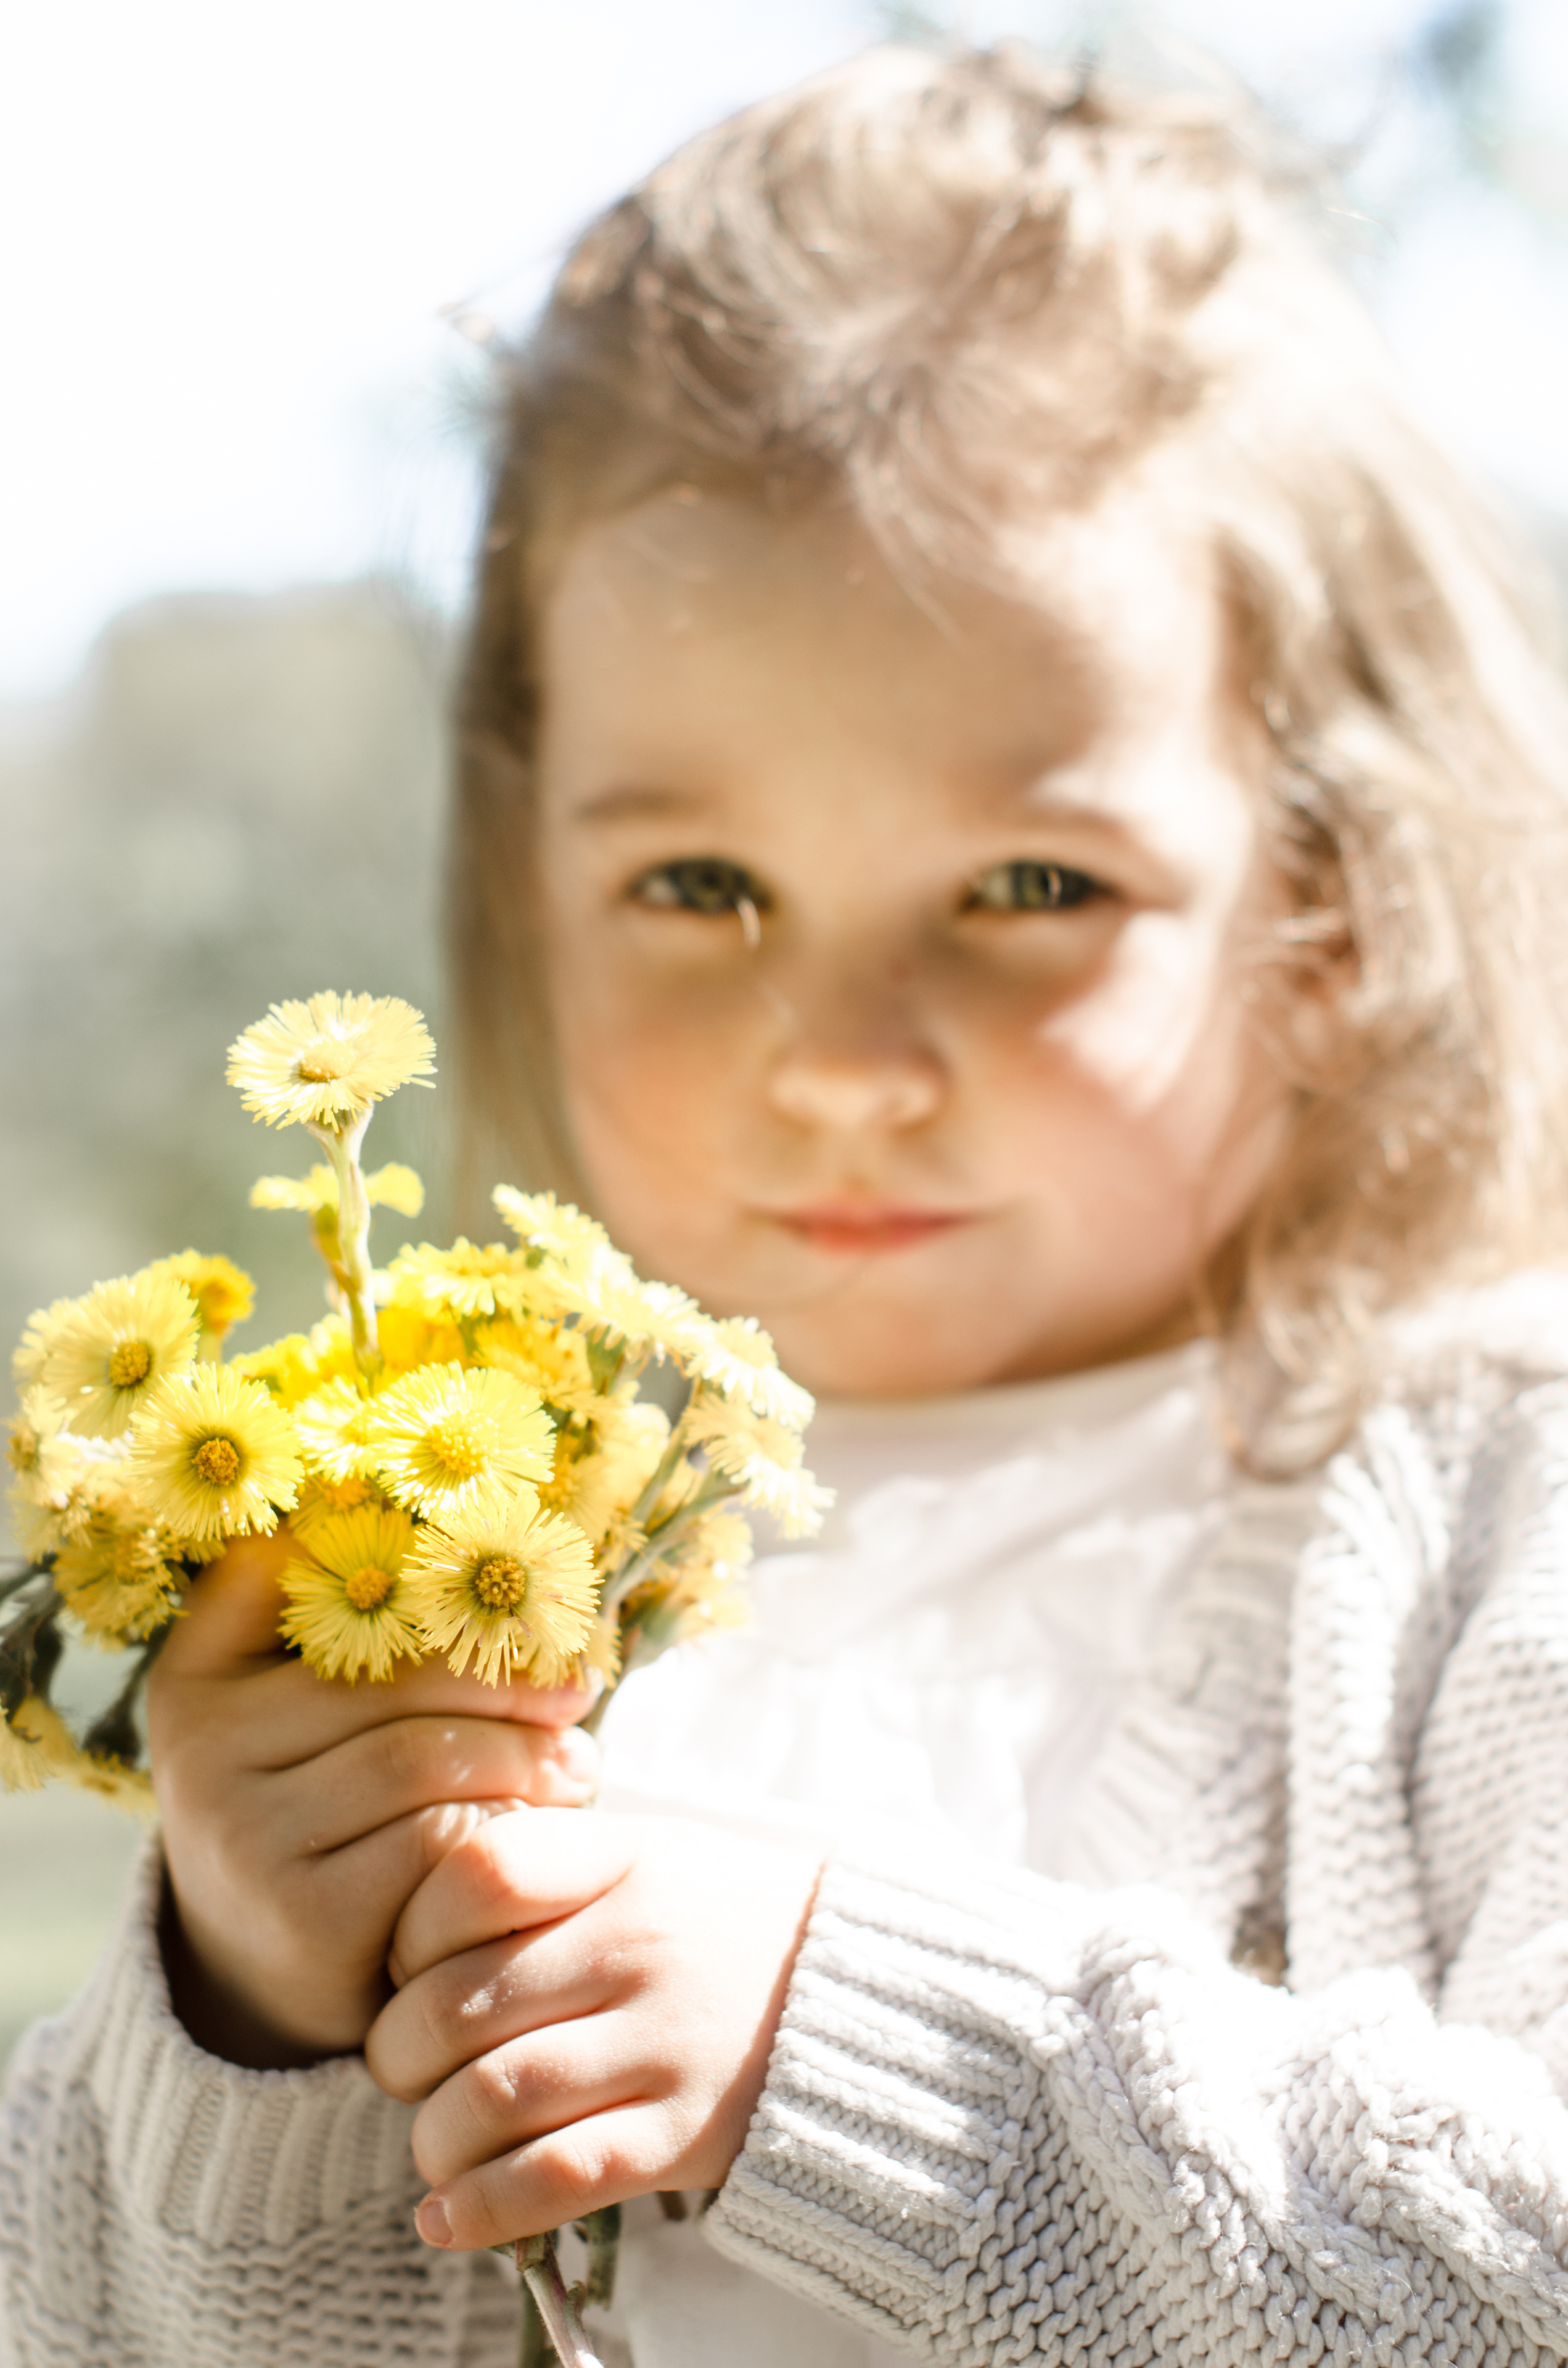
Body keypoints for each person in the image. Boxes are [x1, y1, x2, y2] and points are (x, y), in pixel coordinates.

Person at [9, 38, 1568, 2368]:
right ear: (529, 884)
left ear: (1331, 904)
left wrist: (846, 2052)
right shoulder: (468, 1541)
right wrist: (258, 2024)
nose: (841, 1056)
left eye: (1032, 884)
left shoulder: (1488, 1525)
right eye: (700, 883)